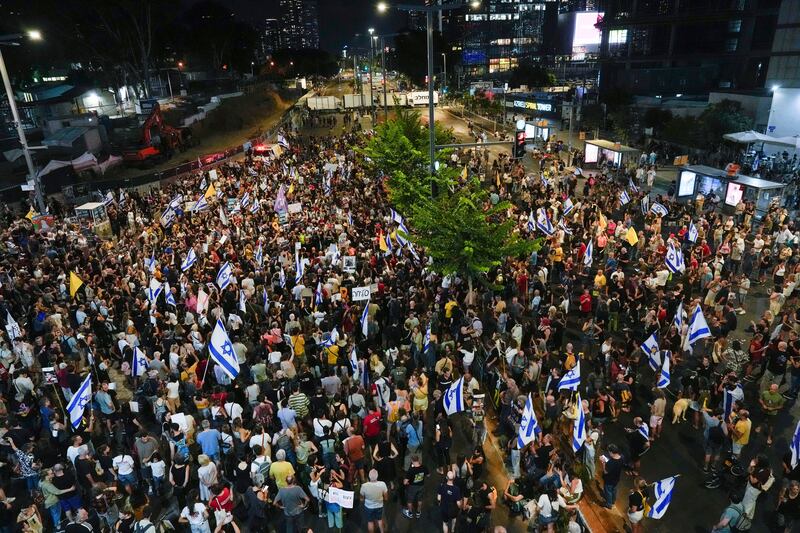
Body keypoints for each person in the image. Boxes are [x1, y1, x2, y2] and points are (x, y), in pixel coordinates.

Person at [360, 469, 388, 533]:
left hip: (368, 507)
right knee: (380, 520)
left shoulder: (364, 486)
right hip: (379, 506)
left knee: (370, 522)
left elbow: (361, 499)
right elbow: (386, 498)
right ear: (377, 476)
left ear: (369, 477)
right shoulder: (383, 484)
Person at [403, 455, 428, 519]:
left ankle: (410, 514)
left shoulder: (411, 470)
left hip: (412, 487)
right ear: (418, 460)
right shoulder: (424, 467)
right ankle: (418, 512)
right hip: (421, 486)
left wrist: (406, 481)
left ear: (412, 461)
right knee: (420, 499)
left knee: (409, 501)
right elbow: (428, 475)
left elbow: (405, 482)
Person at [601, 444, 624, 509]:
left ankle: (609, 504)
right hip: (616, 478)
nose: (608, 453)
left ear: (611, 452)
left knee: (608, 491)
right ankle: (613, 501)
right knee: (614, 490)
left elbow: (605, 471)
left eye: (609, 452)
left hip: (609, 480)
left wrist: (603, 462)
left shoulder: (611, 462)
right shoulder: (622, 457)